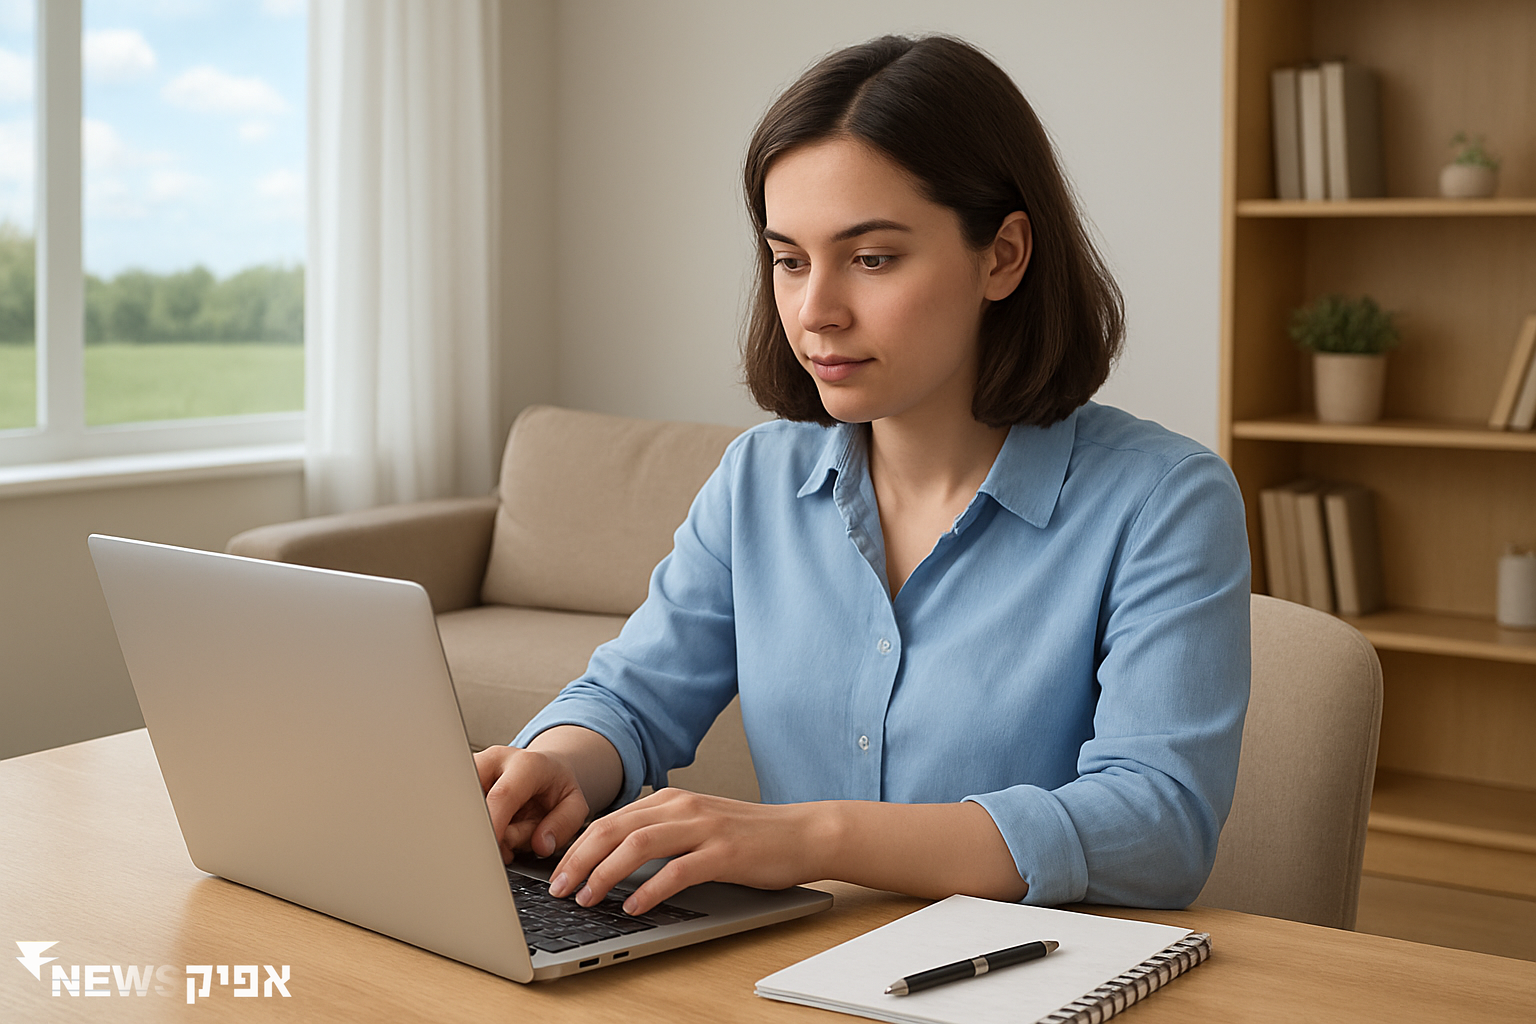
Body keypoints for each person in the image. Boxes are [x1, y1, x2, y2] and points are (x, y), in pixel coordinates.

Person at [473, 34, 1250, 918]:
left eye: (871, 258)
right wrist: (557, 762)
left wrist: (816, 837)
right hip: (782, 974)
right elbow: (632, 697)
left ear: (1003, 256)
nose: (816, 312)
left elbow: (1157, 826)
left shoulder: (1164, 502)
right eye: (790, 259)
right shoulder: (758, 479)